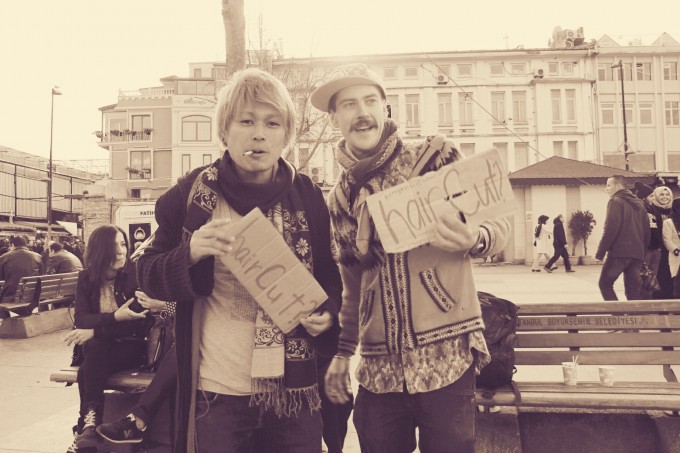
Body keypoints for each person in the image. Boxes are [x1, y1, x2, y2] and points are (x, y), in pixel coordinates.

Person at [136, 68, 343, 453]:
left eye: (272, 123)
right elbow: (146, 273)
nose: (259, 134)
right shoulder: (191, 196)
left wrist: (328, 312)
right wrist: (190, 252)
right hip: (216, 394)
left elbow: (332, 278)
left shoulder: (308, 196)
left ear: (286, 135)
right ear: (224, 131)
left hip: (294, 394)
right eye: (246, 121)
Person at [312, 63, 510, 453]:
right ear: (335, 118)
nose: (362, 112)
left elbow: (498, 221)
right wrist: (343, 352)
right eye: (349, 105)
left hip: (447, 355)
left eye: (370, 101)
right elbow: (352, 285)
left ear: (386, 108)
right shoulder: (339, 198)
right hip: (379, 367)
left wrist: (476, 237)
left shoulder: (435, 158)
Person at [63, 224, 152, 451]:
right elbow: (82, 319)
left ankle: (86, 425)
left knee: (89, 362)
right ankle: (88, 430)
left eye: (123, 244)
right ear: (100, 250)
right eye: (114, 246)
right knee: (93, 352)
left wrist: (97, 329)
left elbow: (138, 325)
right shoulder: (86, 278)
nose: (121, 251)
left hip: (131, 349)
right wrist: (115, 317)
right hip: (99, 352)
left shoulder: (134, 274)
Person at [595, 175, 650, 301]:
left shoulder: (615, 201)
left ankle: (617, 312)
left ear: (618, 186)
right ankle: (634, 313)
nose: (606, 188)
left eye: (609, 185)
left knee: (605, 284)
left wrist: (600, 252)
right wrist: (642, 252)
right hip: (637, 254)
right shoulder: (640, 204)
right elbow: (647, 232)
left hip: (619, 253)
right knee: (633, 291)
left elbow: (610, 229)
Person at [634, 181, 663, 299]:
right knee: (641, 278)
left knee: (651, 280)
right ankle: (640, 304)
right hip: (645, 250)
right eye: (651, 196)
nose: (653, 198)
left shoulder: (653, 209)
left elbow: (659, 227)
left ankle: (648, 303)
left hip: (655, 249)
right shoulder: (637, 209)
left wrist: (659, 246)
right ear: (643, 197)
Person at [0, 235, 44, 307]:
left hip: (10, 295)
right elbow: (42, 275)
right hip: (32, 295)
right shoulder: (38, 256)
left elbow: (1, 278)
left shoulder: (4, 257)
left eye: (9, 246)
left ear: (12, 245)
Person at [650, 185, 674, 298]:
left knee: (672, 273)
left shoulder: (675, 210)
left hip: (672, 249)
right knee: (658, 274)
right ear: (655, 196)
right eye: (661, 194)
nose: (665, 197)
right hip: (658, 249)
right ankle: (658, 300)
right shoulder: (651, 210)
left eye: (667, 194)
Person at [662, 198, 680, 298]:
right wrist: (675, 250)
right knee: (677, 282)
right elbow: (667, 239)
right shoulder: (669, 222)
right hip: (676, 256)